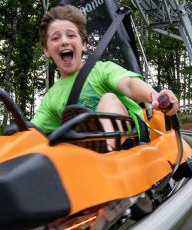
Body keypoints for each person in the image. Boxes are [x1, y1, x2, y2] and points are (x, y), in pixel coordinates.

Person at [31, 4, 178, 149]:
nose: (64, 41)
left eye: (70, 35)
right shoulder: (51, 97)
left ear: (83, 44)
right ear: (46, 51)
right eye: (56, 38)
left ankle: (104, 150)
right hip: (81, 153)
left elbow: (129, 85)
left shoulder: (101, 70)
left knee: (109, 98)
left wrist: (154, 96)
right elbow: (32, 132)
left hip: (128, 144)